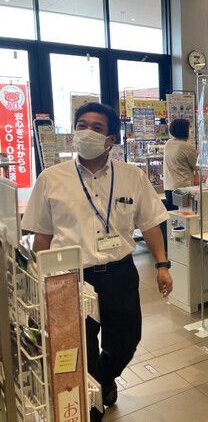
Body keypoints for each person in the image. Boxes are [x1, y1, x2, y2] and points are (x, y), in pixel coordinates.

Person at [22, 102, 173, 414]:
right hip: (70, 277)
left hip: (119, 273)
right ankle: (90, 402)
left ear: (110, 140)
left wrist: (162, 265)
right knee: (80, 345)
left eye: (96, 128)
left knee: (127, 339)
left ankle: (103, 379)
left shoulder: (132, 176)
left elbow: (150, 224)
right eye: (82, 125)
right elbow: (43, 236)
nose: (86, 132)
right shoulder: (51, 179)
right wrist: (36, 278)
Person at [163, 118, 198, 211]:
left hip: (169, 187)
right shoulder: (186, 146)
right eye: (189, 128)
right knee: (184, 215)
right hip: (183, 189)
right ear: (184, 130)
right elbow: (197, 165)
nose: (190, 131)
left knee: (173, 215)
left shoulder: (168, 143)